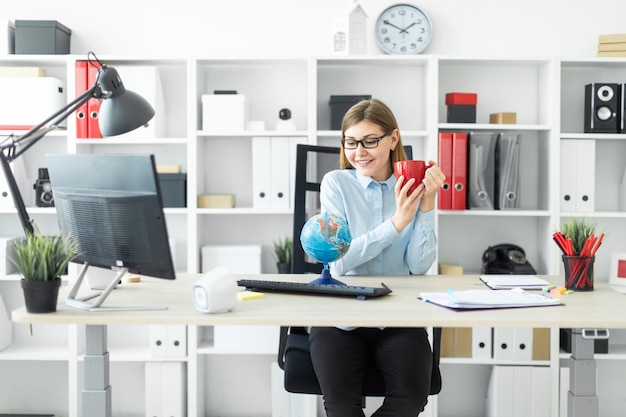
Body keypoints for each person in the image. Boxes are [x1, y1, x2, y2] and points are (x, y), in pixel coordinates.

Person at [308, 98, 446, 417]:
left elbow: (418, 266)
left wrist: (425, 207)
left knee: (411, 400)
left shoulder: (409, 187)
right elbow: (339, 262)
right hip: (339, 319)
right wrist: (397, 222)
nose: (359, 152)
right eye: (351, 142)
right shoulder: (336, 184)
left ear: (393, 139)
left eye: (370, 141)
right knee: (342, 407)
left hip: (398, 317)